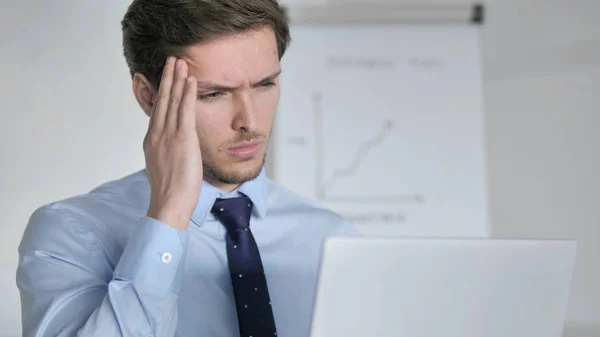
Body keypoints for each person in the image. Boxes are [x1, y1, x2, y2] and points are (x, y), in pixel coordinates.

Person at [16, 1, 358, 336]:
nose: (249, 121)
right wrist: (169, 215)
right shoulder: (72, 234)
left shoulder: (334, 239)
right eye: (214, 94)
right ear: (149, 97)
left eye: (264, 85)